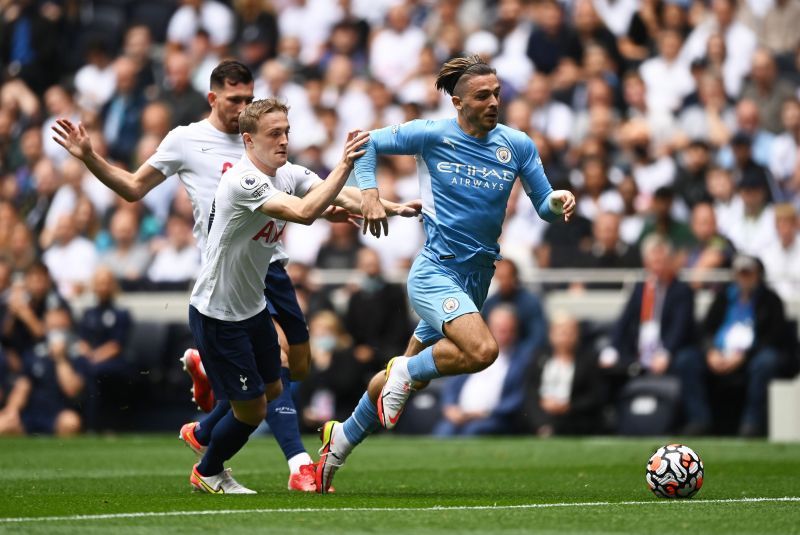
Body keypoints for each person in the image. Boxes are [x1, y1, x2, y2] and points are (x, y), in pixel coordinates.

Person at [51, 60, 350, 491]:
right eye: (234, 100)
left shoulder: (267, 142)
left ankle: (211, 417)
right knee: (273, 375)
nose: (244, 106)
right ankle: (296, 464)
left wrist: (376, 204)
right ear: (213, 98)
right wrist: (89, 156)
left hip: (270, 261)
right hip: (225, 271)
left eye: (250, 98)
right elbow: (133, 188)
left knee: (297, 367)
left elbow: (303, 194)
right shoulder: (187, 141)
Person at [314, 55, 575, 493]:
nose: (494, 102)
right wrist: (372, 195)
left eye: (497, 94)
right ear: (458, 102)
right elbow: (365, 141)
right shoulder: (432, 134)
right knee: (482, 351)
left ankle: (337, 442)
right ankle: (406, 372)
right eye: (483, 96)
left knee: (397, 376)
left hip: (477, 279)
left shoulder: (518, 144)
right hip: (434, 271)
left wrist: (559, 199)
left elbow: (544, 206)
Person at [183, 98, 412, 493]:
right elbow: (307, 212)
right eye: (275, 133)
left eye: (286, 131)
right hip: (219, 314)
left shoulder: (286, 173)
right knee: (253, 410)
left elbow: (339, 197)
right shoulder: (243, 180)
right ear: (249, 140)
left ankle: (205, 427)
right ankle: (208, 470)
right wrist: (345, 164)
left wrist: (394, 207)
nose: (284, 140)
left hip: (251, 307)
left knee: (279, 386)